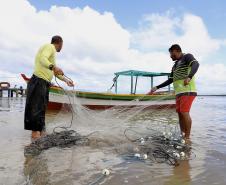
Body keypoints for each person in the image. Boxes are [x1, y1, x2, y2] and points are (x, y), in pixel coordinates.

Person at [24, 35, 74, 140]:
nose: (62, 47)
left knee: (41, 110)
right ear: (60, 43)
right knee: (36, 110)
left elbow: (55, 73)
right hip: (39, 81)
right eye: (62, 45)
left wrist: (66, 80)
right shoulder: (49, 47)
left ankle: (41, 136)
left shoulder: (52, 56)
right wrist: (54, 67)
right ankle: (35, 138)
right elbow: (43, 59)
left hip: (44, 83)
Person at [148, 44, 199, 140]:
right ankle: (182, 134)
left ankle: (187, 138)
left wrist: (189, 76)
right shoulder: (175, 65)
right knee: (180, 113)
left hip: (188, 90)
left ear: (176, 50)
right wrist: (157, 87)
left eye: (172, 54)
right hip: (179, 93)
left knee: (184, 112)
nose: (170, 56)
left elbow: (196, 64)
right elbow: (170, 80)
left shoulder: (187, 56)